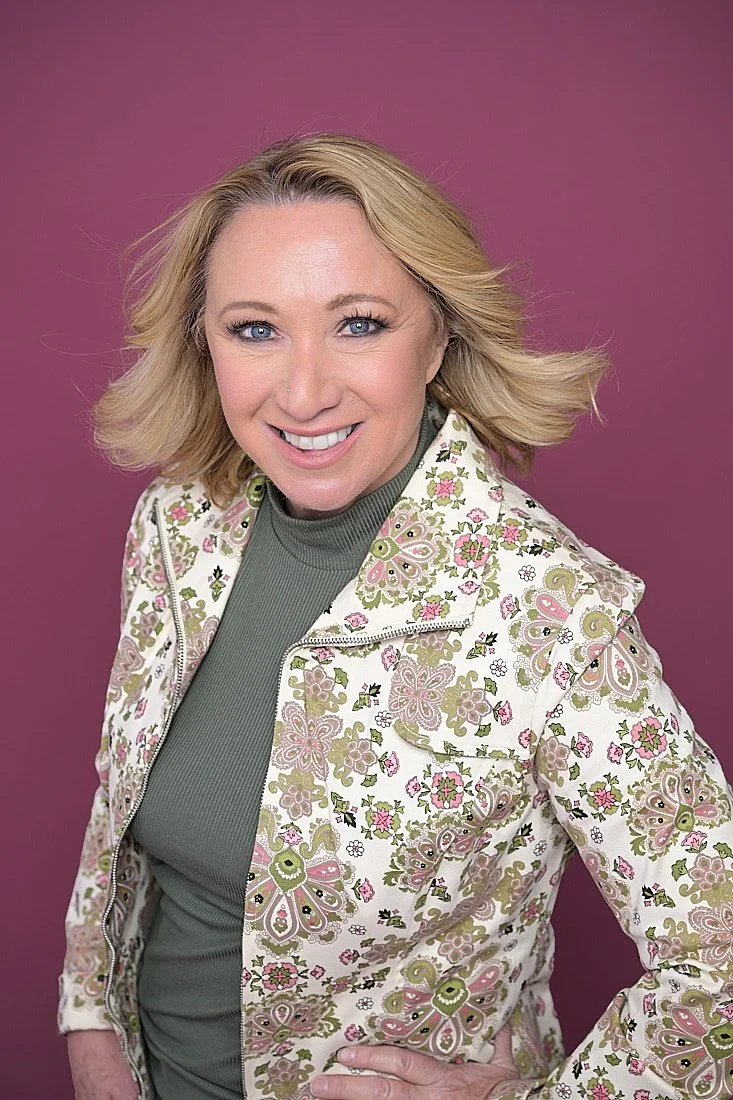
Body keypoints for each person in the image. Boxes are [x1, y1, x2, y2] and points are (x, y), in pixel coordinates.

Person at [59, 133, 733, 1100]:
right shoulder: (177, 526)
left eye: (359, 324)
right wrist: (89, 1018)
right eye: (255, 330)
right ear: (204, 344)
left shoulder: (548, 611)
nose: (303, 392)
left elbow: (718, 959)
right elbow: (117, 806)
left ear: (439, 337)